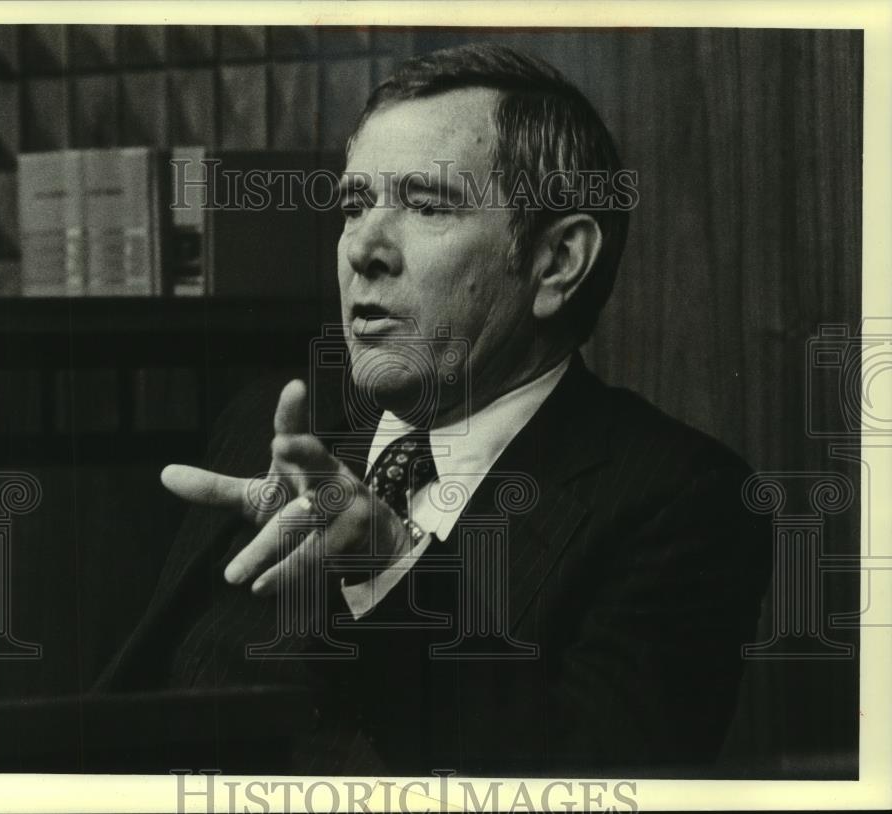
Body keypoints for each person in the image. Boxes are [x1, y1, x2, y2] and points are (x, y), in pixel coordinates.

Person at [95, 43, 772, 777]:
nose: (364, 250)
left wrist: (390, 568)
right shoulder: (272, 422)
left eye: (425, 204)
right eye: (355, 205)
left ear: (556, 263)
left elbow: (592, 784)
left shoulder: (679, 500)